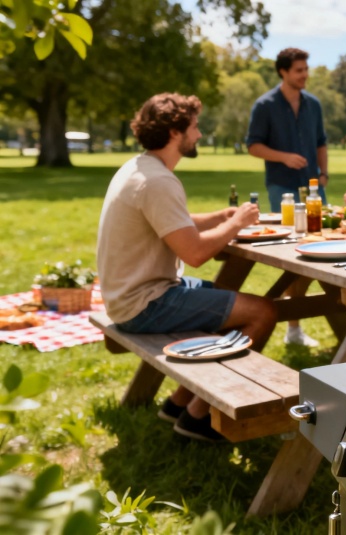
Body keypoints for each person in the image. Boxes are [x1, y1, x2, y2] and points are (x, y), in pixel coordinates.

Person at [97, 93, 277, 442]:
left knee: (225, 301)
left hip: (128, 296)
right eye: (194, 127)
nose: (198, 134)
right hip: (145, 303)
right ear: (175, 132)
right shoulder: (159, 181)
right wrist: (237, 223)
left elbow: (173, 221)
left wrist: (219, 217)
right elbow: (194, 253)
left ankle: (179, 404)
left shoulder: (139, 168)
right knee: (263, 312)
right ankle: (201, 417)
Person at [246, 47, 327, 347]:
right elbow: (253, 146)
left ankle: (324, 315)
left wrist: (325, 173)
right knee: (294, 255)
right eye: (299, 70)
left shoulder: (313, 105)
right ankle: (293, 327)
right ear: (283, 72)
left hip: (315, 189)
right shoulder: (264, 105)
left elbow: (321, 143)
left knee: (322, 248)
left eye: (306, 69)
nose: (305, 75)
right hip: (283, 189)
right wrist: (283, 157)